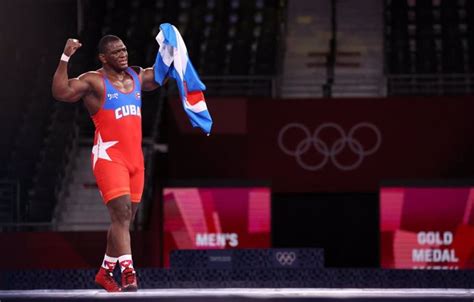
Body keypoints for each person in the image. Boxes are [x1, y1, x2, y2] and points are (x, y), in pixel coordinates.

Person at [52, 35, 161, 292]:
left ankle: (104, 272)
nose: (123, 55)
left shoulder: (136, 76)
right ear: (104, 58)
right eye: (116, 52)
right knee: (121, 215)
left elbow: (159, 76)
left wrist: (169, 47)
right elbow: (60, 92)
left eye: (124, 50)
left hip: (136, 159)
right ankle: (128, 273)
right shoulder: (94, 81)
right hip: (109, 158)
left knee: (125, 220)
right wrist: (65, 57)